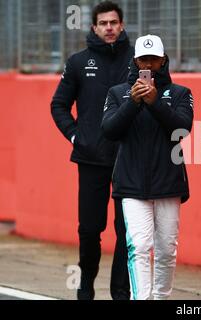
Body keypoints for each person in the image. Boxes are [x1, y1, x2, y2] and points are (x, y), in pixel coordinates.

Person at [50, 1, 134, 300]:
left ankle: (120, 292)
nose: (109, 28)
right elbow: (58, 105)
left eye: (114, 23)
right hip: (91, 158)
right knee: (89, 229)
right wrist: (76, 137)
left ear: (121, 25)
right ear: (94, 27)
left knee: (127, 231)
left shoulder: (139, 59)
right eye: (103, 23)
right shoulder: (77, 62)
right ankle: (85, 286)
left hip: (129, 159)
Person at [101, 34, 194, 300]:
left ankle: (161, 297)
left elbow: (182, 130)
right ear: (135, 60)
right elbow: (108, 130)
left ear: (163, 61)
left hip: (169, 183)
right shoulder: (118, 93)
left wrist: (155, 103)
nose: (148, 65)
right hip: (131, 183)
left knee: (166, 250)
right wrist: (133, 102)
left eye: (154, 60)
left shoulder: (180, 94)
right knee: (139, 246)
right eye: (144, 59)